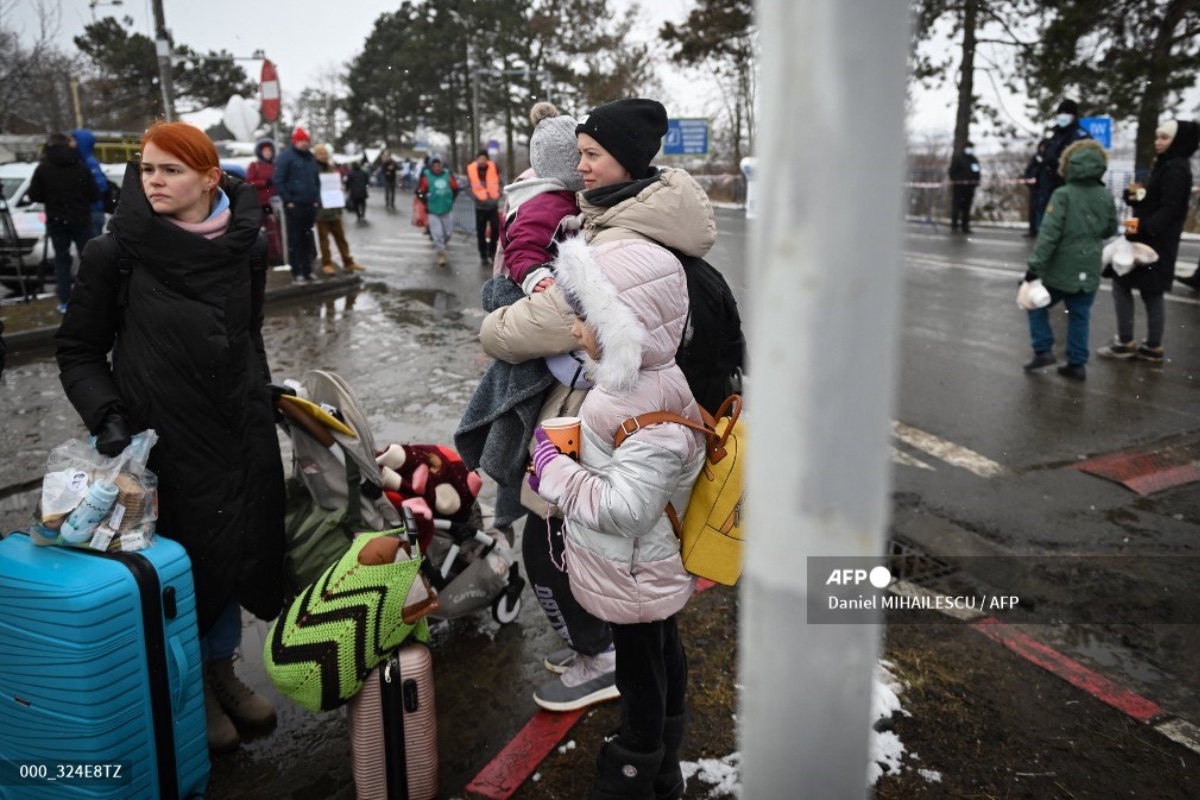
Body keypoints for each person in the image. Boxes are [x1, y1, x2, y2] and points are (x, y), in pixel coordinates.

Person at [480, 98, 715, 799]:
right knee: (658, 645)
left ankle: (642, 763)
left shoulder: (640, 403)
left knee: (643, 652)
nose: (575, 329)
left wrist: (555, 469)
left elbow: (623, 504)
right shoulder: (642, 381)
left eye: (587, 321)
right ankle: (660, 739)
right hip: (641, 563)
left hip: (634, 566)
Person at [54, 121, 286, 752]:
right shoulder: (115, 253)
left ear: (210, 178)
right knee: (184, 568)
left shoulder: (247, 243)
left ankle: (221, 671)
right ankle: (191, 690)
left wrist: (264, 393)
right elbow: (77, 351)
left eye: (170, 170)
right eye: (146, 169)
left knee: (237, 552)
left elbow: (247, 333)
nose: (153, 181)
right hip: (163, 442)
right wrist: (107, 418)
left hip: (239, 430)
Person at [1097, 119, 1199, 364]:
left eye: (1164, 137)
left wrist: (1140, 228)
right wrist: (1134, 195)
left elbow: (1170, 208)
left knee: (1124, 283)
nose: (1158, 142)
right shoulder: (1169, 165)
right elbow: (1154, 198)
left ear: (1177, 141)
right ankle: (1151, 346)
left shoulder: (1174, 168)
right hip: (1152, 237)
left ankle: (1126, 342)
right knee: (1149, 291)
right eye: (1157, 137)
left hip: (1153, 241)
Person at [1022, 139, 1117, 381]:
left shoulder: (1063, 194)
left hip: (1061, 267)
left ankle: (1043, 349)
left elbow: (1049, 234)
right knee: (1079, 315)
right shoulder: (1105, 196)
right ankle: (1076, 364)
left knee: (1035, 304)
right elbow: (1109, 229)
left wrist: (1034, 268)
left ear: (1069, 165)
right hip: (1090, 264)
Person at [27, 132, 100, 312]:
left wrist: (52, 197)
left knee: (62, 259)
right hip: (80, 217)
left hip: (56, 219)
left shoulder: (43, 168)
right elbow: (94, 194)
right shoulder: (80, 167)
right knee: (88, 258)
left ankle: (65, 300)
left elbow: (33, 194)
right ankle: (93, 297)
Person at [1035, 99, 1092, 230]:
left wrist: (1058, 162)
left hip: (1068, 190)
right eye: (1060, 113)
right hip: (1049, 189)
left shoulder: (1081, 136)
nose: (1062, 116)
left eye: (1066, 113)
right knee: (1048, 229)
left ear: (1074, 116)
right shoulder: (1055, 135)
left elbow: (1083, 164)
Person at [273, 127, 320, 283]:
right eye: (301, 141)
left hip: (309, 204)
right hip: (294, 205)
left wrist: (316, 199)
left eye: (306, 141)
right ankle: (297, 271)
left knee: (308, 238)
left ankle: (308, 270)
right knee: (295, 239)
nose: (304, 144)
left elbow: (315, 180)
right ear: (295, 141)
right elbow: (279, 180)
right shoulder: (286, 158)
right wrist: (288, 200)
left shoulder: (310, 158)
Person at [313, 145, 365, 276]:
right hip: (321, 210)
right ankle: (327, 263)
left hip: (334, 209)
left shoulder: (331, 167)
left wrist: (339, 188)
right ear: (316, 155)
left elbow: (337, 183)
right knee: (324, 240)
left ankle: (348, 262)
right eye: (321, 154)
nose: (323, 156)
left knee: (341, 238)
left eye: (325, 153)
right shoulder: (313, 169)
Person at [416, 154, 459, 265]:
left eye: (438, 165)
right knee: (437, 234)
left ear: (441, 165)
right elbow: (420, 191)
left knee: (448, 233)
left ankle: (441, 246)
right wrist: (425, 199)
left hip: (446, 209)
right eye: (434, 165)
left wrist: (450, 200)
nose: (437, 167)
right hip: (433, 210)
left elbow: (455, 189)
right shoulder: (426, 176)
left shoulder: (448, 174)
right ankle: (441, 254)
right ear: (431, 166)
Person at [245, 138, 282, 265]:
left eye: (269, 151)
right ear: (260, 152)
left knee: (277, 229)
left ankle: (278, 255)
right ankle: (265, 257)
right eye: (265, 151)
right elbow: (249, 182)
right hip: (261, 203)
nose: (268, 153)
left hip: (276, 203)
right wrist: (264, 183)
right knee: (263, 230)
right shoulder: (255, 166)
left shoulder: (276, 166)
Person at [72, 129, 110, 239]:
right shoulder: (82, 161)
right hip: (89, 211)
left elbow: (101, 186)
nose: (71, 144)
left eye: (74, 140)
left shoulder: (89, 162)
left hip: (93, 211)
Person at [467, 149, 502, 266]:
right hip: (480, 206)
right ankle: (483, 254)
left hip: (492, 205)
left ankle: (492, 252)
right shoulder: (471, 170)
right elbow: (468, 187)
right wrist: (475, 197)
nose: (481, 161)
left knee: (495, 228)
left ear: (487, 160)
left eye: (484, 158)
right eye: (479, 158)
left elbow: (499, 183)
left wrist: (498, 195)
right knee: (481, 232)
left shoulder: (494, 168)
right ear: (477, 159)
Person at [947, 140, 980, 234]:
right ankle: (954, 226)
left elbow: (977, 173)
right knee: (956, 207)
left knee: (967, 208)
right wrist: (957, 181)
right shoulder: (958, 159)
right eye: (969, 148)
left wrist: (976, 182)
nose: (970, 150)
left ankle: (965, 227)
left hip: (970, 188)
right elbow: (952, 172)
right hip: (959, 188)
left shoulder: (974, 160)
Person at [1023, 139, 1048, 237]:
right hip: (1035, 187)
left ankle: (1040, 230)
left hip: (1044, 188)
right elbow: (1029, 171)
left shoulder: (1048, 159)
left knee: (1042, 210)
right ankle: (1032, 230)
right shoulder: (1036, 158)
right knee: (1033, 209)